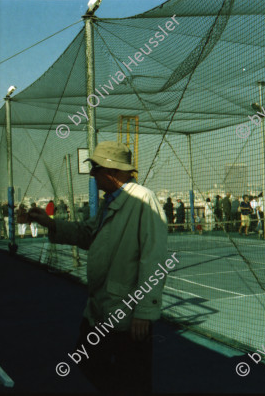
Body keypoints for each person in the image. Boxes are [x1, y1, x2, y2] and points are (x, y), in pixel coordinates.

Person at [28, 141, 168, 394]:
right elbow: (87, 234)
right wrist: (49, 223)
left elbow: (154, 259)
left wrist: (144, 312)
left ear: (112, 171)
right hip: (103, 307)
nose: (91, 174)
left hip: (126, 313)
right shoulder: (111, 202)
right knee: (90, 360)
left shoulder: (143, 200)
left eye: (95, 168)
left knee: (134, 381)